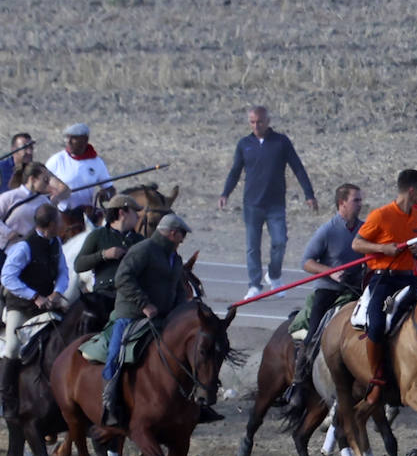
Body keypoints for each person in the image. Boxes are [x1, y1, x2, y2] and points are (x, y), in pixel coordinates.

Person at [101, 213, 215, 426]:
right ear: (172, 233)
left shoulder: (176, 258)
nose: (183, 239)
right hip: (132, 316)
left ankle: (197, 403)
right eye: (182, 235)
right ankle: (109, 401)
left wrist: (184, 311)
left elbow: (178, 289)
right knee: (116, 355)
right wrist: (144, 304)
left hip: (164, 318)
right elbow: (122, 278)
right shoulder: (142, 250)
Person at [218, 105, 318, 299]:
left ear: (267, 121)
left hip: (275, 204)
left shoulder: (281, 142)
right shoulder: (244, 144)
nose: (256, 125)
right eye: (252, 122)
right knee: (252, 247)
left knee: (280, 242)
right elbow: (235, 171)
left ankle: (274, 275)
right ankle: (254, 284)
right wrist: (225, 193)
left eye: (260, 122)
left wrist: (309, 194)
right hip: (252, 204)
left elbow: (298, 168)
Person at [350, 169, 417, 405]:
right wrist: (384, 249)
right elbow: (357, 244)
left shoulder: (416, 217)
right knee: (377, 323)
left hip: (409, 277)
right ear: (411, 190)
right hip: (384, 278)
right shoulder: (381, 215)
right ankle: (377, 379)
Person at [287, 184, 365, 403]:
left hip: (356, 289)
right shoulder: (327, 230)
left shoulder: (365, 229)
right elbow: (307, 262)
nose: (360, 204)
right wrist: (331, 272)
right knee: (313, 336)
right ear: (342, 204)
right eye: (356, 200)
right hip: (329, 290)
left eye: (360, 200)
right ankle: (298, 383)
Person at [0, 204, 69, 418]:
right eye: (59, 221)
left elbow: (63, 271)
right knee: (12, 348)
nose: (62, 224)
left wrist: (57, 292)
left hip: (49, 302)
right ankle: (6, 398)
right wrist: (35, 296)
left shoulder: (55, 242)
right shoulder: (24, 247)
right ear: (49, 226)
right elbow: (7, 277)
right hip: (22, 306)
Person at [0, 163, 56, 329]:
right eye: (44, 180)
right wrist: (8, 232)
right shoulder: (9, 197)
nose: (47, 183)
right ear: (32, 179)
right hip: (8, 247)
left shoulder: (44, 202)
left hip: (31, 252)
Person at [73, 194, 145, 331]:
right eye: (134, 212)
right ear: (122, 213)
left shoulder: (140, 240)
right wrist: (104, 255)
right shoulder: (98, 236)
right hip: (103, 296)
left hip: (130, 298)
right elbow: (79, 265)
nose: (137, 216)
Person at [45, 123, 113, 213]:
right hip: (62, 215)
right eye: (67, 137)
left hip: (86, 213)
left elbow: (110, 189)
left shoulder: (97, 162)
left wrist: (106, 194)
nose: (68, 141)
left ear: (85, 139)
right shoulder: (57, 160)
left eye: (74, 138)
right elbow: (41, 185)